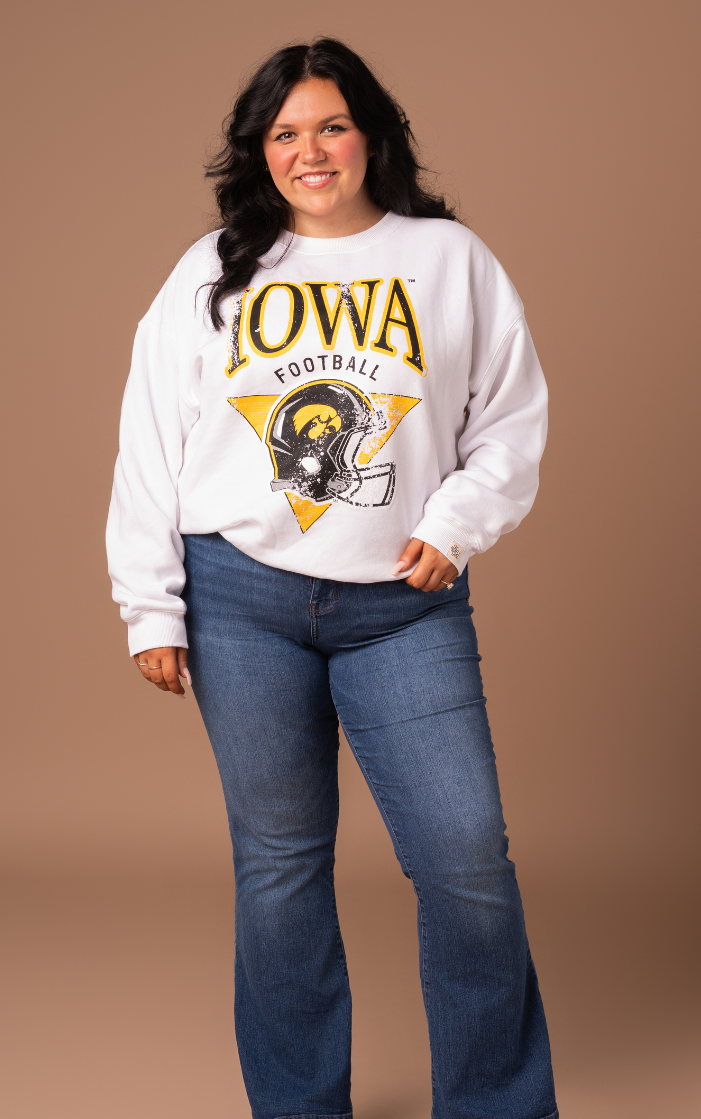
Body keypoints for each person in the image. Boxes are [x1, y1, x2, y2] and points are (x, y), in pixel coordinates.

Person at [106, 37, 558, 1119]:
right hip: (239, 600)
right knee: (278, 871)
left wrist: (450, 525)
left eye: (331, 126)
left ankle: (497, 1105)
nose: (310, 151)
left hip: (403, 607)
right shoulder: (210, 271)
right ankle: (299, 1108)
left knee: (465, 860)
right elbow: (149, 444)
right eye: (284, 133)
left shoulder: (448, 260)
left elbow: (506, 423)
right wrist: (148, 607)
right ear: (259, 153)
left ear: (372, 135)